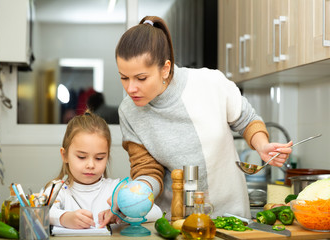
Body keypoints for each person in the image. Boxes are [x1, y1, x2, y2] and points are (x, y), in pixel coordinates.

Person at [114, 16, 293, 219]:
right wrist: (136, 195)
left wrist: (262, 145)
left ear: (165, 69)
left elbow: (247, 119)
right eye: (123, 77)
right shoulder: (129, 111)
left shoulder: (210, 82)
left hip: (230, 217)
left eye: (141, 78)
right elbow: (146, 168)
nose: (131, 88)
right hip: (177, 222)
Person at [45, 110, 161, 229]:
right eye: (82, 157)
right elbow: (41, 212)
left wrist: (122, 213)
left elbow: (157, 213)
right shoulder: (57, 189)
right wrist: (64, 218)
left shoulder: (116, 189)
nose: (91, 165)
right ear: (64, 155)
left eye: (99, 158)